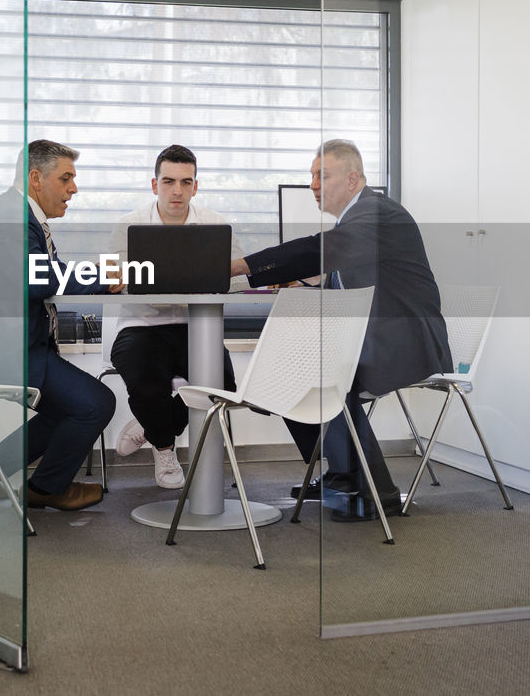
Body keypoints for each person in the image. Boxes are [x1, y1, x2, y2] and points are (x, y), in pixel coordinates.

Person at [229, 139, 451, 522]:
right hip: (376, 335)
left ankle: (372, 491)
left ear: (353, 179)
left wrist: (237, 267)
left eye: (322, 175)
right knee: (293, 374)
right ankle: (340, 473)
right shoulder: (357, 219)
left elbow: (312, 250)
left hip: (407, 340)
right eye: (312, 176)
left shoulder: (376, 213)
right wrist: (310, 287)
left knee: (323, 376)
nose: (314, 185)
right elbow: (346, 283)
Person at [0, 140, 118, 511]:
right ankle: (47, 489)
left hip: (5, 346)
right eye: (66, 178)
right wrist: (101, 276)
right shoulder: (10, 216)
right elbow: (36, 277)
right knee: (96, 403)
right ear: (36, 178)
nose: (74, 188)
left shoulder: (16, 215)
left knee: (66, 406)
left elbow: (38, 275)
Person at [106, 145, 246, 488]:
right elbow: (109, 279)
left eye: (186, 182)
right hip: (142, 326)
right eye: (168, 181)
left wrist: (214, 277)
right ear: (155, 185)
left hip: (197, 326)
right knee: (145, 375)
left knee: (223, 386)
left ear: (195, 186)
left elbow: (240, 277)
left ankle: (151, 426)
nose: (177, 190)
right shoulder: (127, 226)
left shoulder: (216, 225)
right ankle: (165, 447)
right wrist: (122, 280)